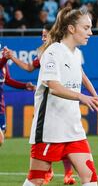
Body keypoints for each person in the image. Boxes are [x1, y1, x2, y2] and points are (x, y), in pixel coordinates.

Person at [22, 6, 98, 186]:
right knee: (37, 180)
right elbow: (54, 87)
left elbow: (81, 75)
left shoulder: (75, 53)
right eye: (86, 28)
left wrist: (95, 95)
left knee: (90, 177)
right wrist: (83, 97)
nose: (91, 32)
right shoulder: (52, 52)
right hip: (50, 129)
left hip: (73, 128)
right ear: (71, 29)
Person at [4, 23, 77, 185]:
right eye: (42, 34)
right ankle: (48, 171)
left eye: (46, 34)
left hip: (61, 101)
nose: (42, 37)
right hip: (48, 103)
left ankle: (66, 173)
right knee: (52, 139)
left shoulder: (63, 50)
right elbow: (30, 68)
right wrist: (12, 57)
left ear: (54, 34)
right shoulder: (44, 52)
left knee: (66, 138)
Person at [0, 52, 35, 147]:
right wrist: (5, 59)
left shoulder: (3, 64)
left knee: (1, 140)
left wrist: (24, 86)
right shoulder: (3, 62)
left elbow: (7, 80)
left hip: (1, 108)